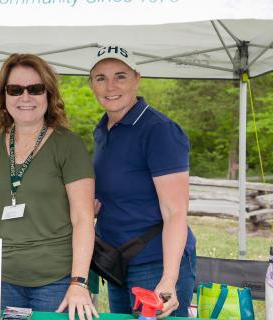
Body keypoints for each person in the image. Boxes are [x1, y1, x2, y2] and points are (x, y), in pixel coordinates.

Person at [0, 53, 99, 320]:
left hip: (55, 281)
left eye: (35, 89)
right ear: (4, 97)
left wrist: (78, 282)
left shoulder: (69, 146)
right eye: (15, 89)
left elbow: (83, 218)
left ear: (49, 95)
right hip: (0, 279)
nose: (25, 97)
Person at [89, 45, 196, 318]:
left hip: (155, 264)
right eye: (100, 77)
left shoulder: (159, 130)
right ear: (91, 84)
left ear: (137, 78)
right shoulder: (102, 130)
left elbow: (176, 212)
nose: (110, 86)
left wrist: (168, 280)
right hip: (117, 262)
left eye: (120, 76)